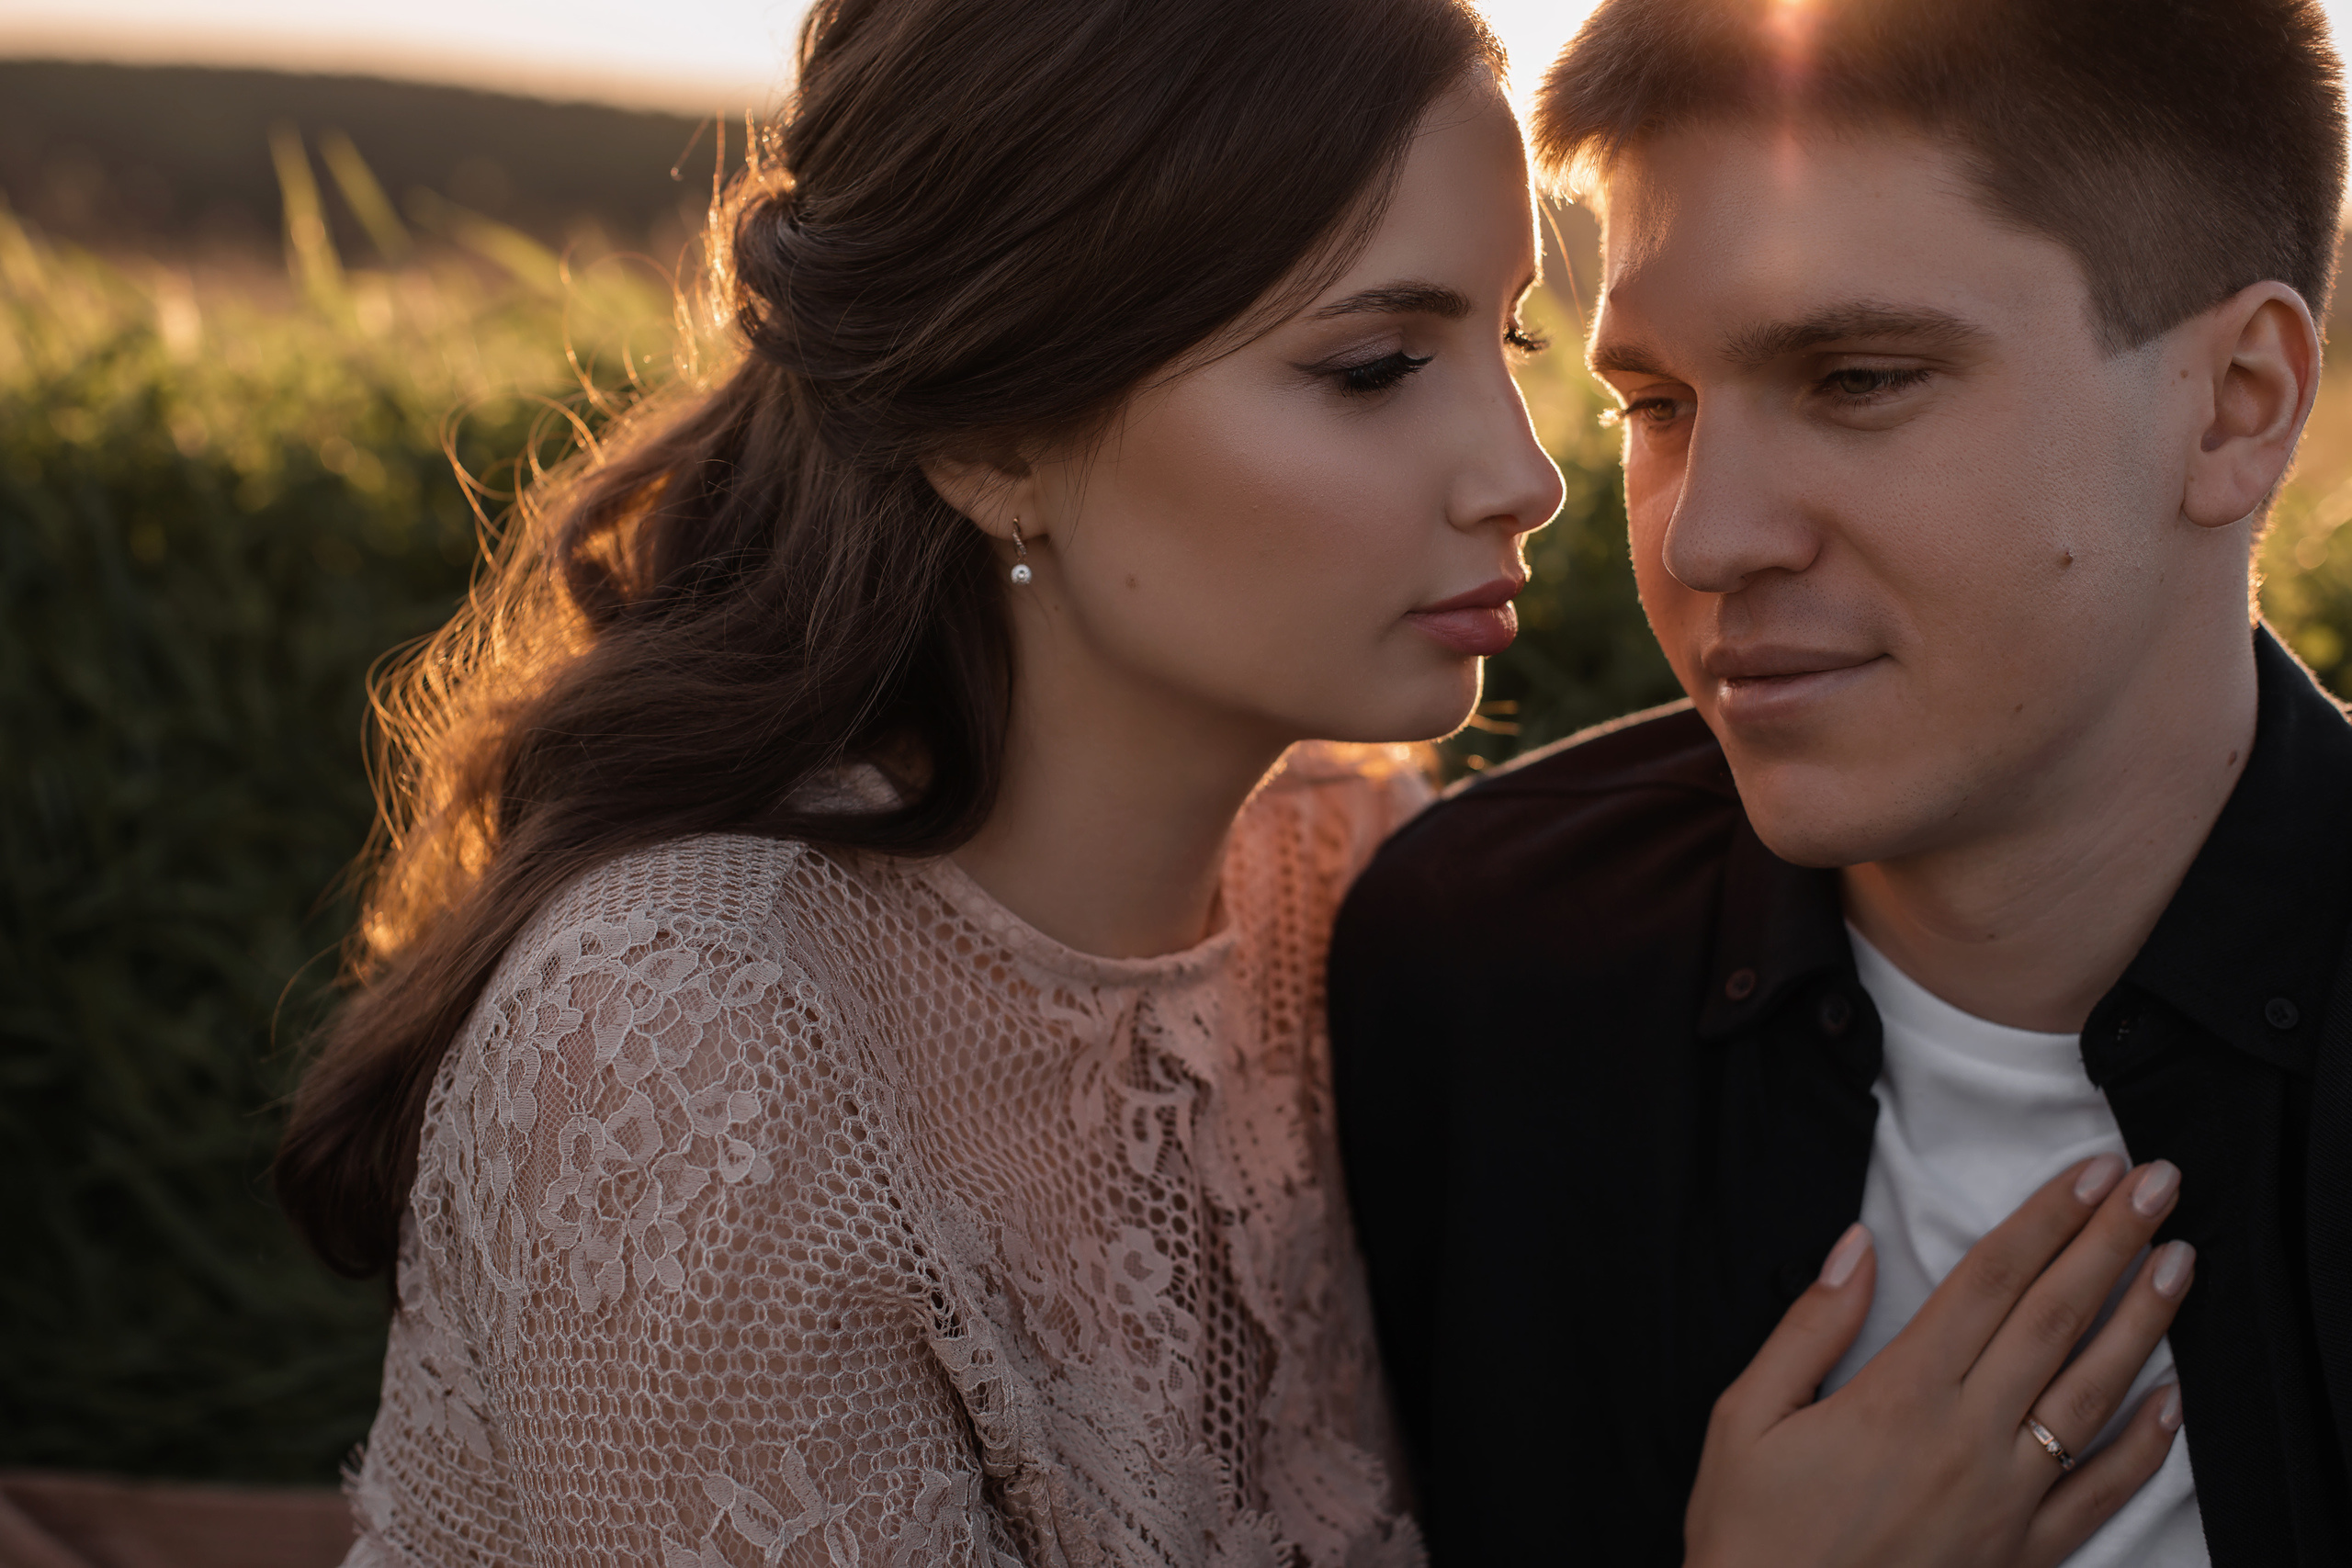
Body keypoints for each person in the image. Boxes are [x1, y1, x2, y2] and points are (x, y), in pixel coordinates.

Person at [277, 0, 2194, 1563]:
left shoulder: (1350, 884)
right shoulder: (695, 1040)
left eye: (1507, 344)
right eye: (1370, 366)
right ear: (991, 433)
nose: (1521, 474)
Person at [1329, 0, 2351, 1563]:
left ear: (2240, 402)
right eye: (1656, 406)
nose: (1704, 538)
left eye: (1860, 378)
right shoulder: (1479, 975)